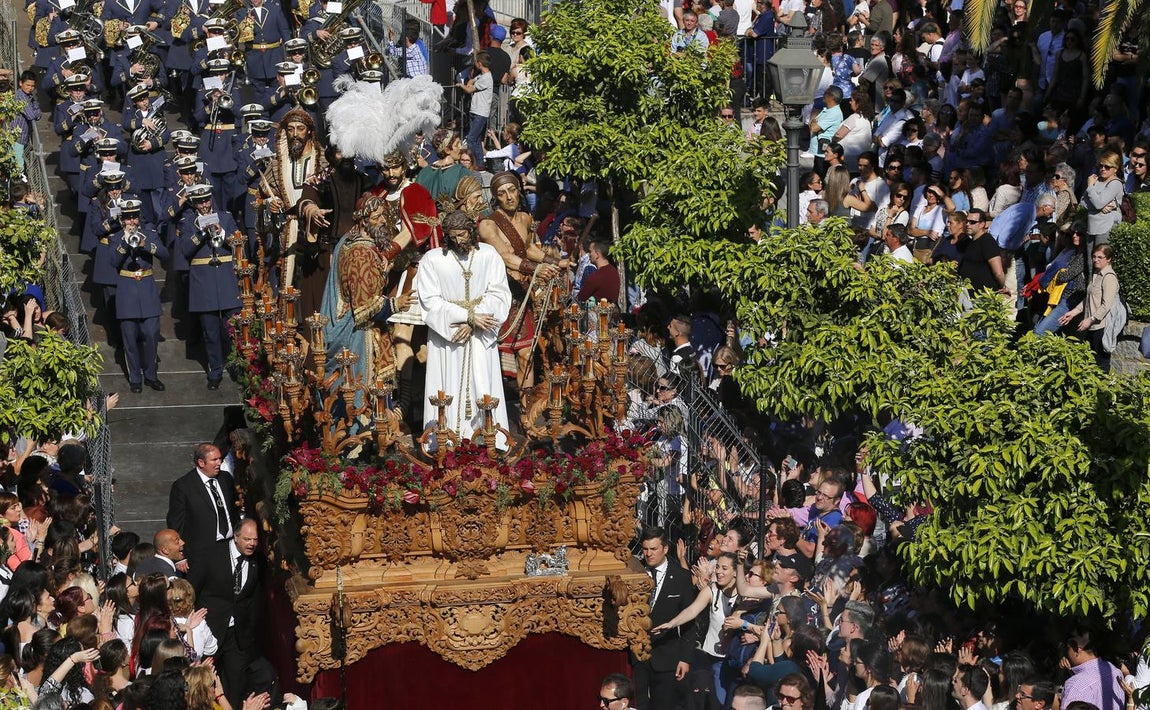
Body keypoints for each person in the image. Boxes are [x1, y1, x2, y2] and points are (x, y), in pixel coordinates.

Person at [415, 210, 512, 446]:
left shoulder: (488, 255)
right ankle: (445, 442)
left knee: (482, 382)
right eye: (453, 236)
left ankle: (487, 441)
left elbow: (499, 292)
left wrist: (475, 320)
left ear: (471, 230)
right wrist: (466, 317)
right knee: (447, 385)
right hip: (449, 335)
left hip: (480, 334)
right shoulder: (433, 259)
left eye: (462, 234)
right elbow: (429, 300)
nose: (458, 240)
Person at [320, 195, 415, 412]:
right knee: (360, 393)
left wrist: (381, 272)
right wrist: (396, 304)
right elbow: (366, 308)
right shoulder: (362, 253)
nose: (382, 221)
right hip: (358, 335)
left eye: (383, 215)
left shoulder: (346, 240)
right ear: (363, 220)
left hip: (345, 324)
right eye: (375, 217)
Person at [479, 171, 566, 389]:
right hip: (499, 294)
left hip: (521, 292)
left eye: (512, 190)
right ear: (495, 197)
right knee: (492, 356)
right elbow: (505, 256)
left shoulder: (526, 218)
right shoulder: (488, 225)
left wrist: (554, 261)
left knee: (526, 353)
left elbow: (528, 249)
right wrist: (537, 269)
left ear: (519, 191)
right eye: (502, 193)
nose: (509, 197)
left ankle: (526, 405)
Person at [186, 519, 261, 709]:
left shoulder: (256, 561)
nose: (252, 544)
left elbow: (252, 598)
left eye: (255, 539)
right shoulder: (212, 554)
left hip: (238, 635)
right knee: (203, 681)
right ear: (235, 537)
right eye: (247, 539)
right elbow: (192, 588)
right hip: (210, 629)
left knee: (236, 682)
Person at [260, 110, 327, 313]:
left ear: (309, 131)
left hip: (316, 229)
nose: (295, 134)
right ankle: (289, 325)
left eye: (300, 128)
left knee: (316, 282)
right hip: (288, 230)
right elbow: (265, 194)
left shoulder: (323, 160)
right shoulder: (277, 163)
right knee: (290, 282)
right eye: (290, 129)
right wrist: (272, 204)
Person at [633, 526, 695, 710]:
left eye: (653, 549)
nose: (648, 554)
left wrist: (685, 658)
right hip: (637, 655)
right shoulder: (635, 573)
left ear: (665, 548)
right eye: (645, 549)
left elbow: (689, 622)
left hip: (667, 655)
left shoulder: (682, 577)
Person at [166, 443, 240, 569]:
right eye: (214, 460)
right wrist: (180, 556)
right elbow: (176, 522)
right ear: (201, 462)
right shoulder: (183, 486)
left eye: (220, 458)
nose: (219, 463)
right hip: (200, 553)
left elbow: (233, 510)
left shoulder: (225, 478)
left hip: (229, 547)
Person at [1059, 245, 1120, 372]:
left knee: (1101, 364)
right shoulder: (1096, 274)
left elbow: (1106, 305)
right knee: (1090, 362)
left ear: (1108, 259)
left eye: (1100, 257)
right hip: (1092, 326)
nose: (1096, 260)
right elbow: (1088, 299)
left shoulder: (1109, 277)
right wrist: (1073, 313)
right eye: (1094, 256)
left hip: (1101, 327)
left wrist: (1090, 319)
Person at [1080, 150, 1127, 246]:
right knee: (1090, 255)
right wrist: (1100, 208)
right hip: (1091, 226)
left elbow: (1098, 203)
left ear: (1115, 169)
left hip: (1106, 226)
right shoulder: (1096, 180)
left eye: (1107, 167)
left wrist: (1090, 187)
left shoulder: (1115, 183)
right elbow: (1082, 202)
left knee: (1101, 254)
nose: (1103, 169)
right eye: (1100, 166)